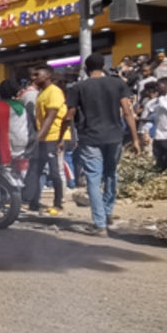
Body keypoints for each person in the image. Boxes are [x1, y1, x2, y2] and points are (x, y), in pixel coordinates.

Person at [61, 53, 140, 236]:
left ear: (85, 69)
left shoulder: (78, 87)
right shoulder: (118, 83)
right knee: (111, 173)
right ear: (103, 65)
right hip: (114, 137)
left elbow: (69, 116)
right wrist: (135, 138)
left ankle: (100, 224)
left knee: (93, 179)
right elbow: (128, 112)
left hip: (90, 138)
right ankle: (108, 212)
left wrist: (60, 137)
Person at [25, 65, 68, 214]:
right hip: (44, 137)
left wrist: (39, 137)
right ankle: (32, 202)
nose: (33, 77)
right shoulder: (42, 93)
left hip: (53, 136)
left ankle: (58, 203)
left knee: (54, 171)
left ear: (48, 75)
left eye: (37, 74)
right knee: (35, 169)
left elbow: (51, 116)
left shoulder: (54, 92)